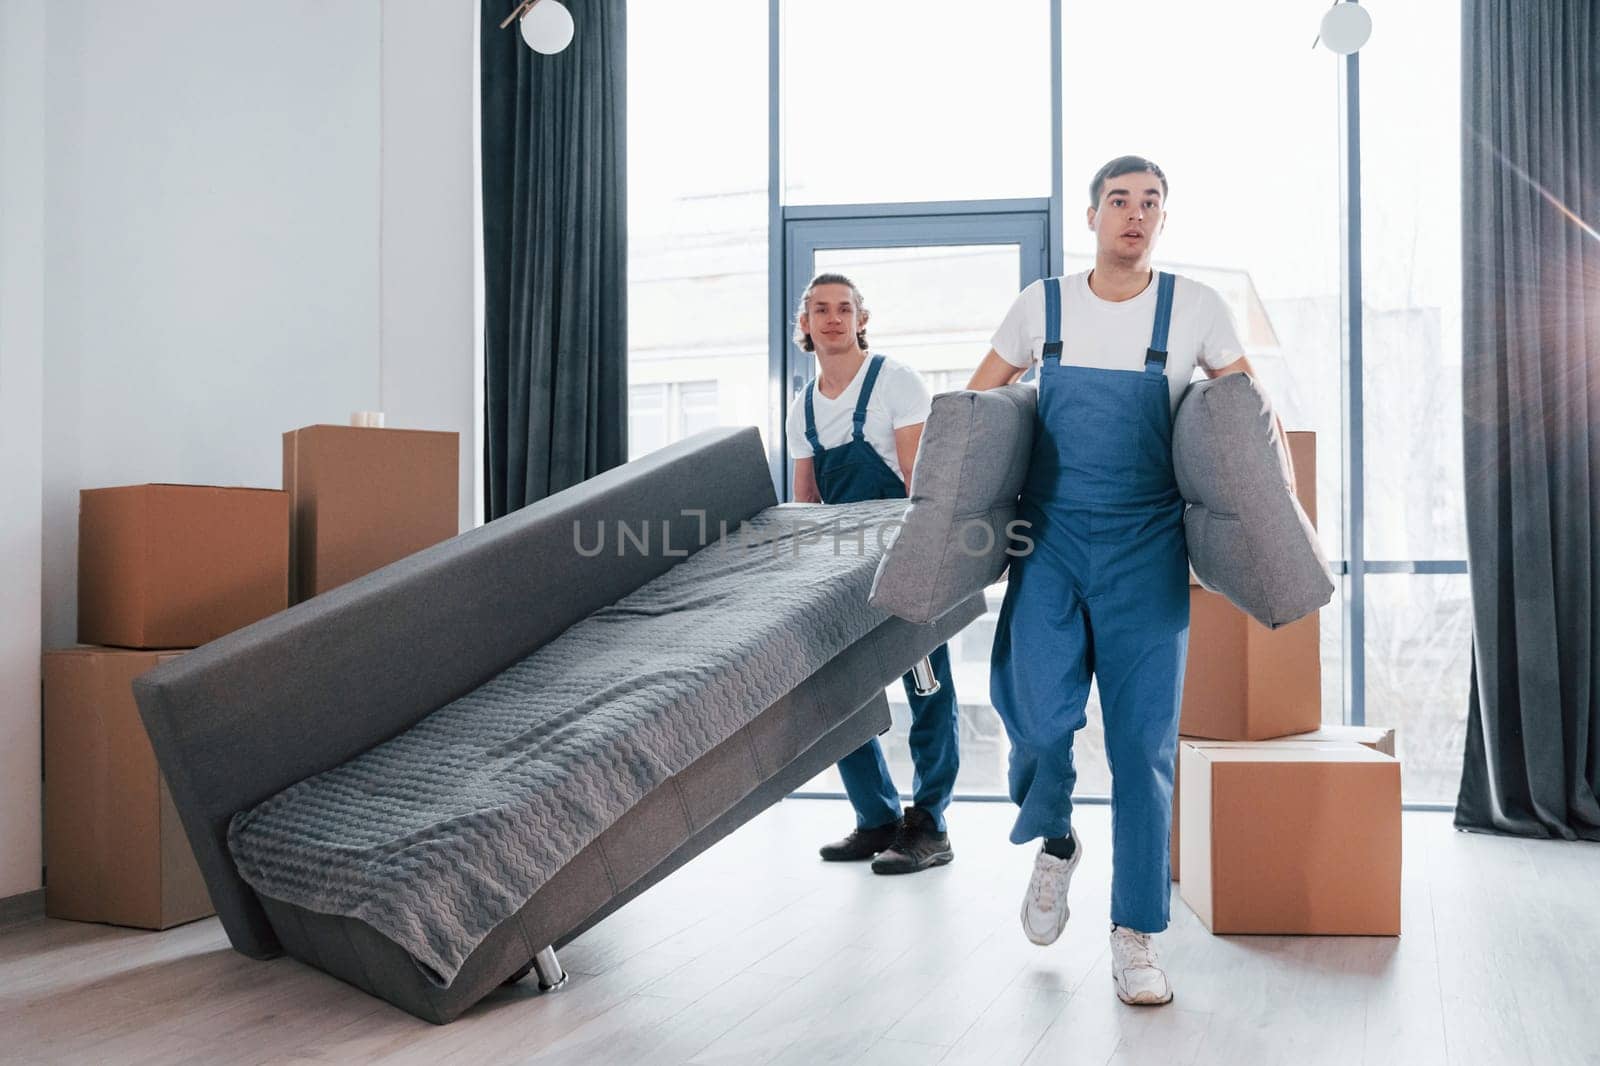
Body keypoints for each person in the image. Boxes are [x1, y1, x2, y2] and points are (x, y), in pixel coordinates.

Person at [966, 156, 1280, 1005]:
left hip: (1147, 547)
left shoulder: (1196, 310)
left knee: (1143, 749)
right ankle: (1057, 838)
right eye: (1119, 201)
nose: (1134, 215)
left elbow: (1244, 418)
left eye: (1150, 203)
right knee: (1032, 715)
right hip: (1052, 537)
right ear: (1093, 215)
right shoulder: (1044, 306)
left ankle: (1135, 935)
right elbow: (979, 412)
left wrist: (1245, 536)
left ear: (1163, 220)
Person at [787, 272, 962, 876]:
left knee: (926, 691)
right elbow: (805, 504)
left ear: (862, 318)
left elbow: (920, 482)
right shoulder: (802, 408)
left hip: (905, 557)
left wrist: (928, 564)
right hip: (839, 569)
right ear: (804, 324)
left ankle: (931, 824)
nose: (833, 319)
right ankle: (877, 818)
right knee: (844, 695)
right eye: (819, 310)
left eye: (844, 309)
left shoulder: (895, 381)